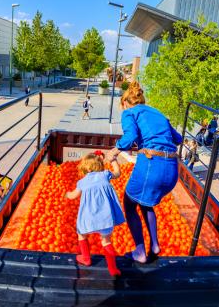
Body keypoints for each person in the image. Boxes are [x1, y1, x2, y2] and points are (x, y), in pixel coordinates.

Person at [106, 81, 182, 263]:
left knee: (129, 202)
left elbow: (130, 137)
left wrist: (114, 152)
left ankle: (140, 251)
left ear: (125, 103)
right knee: (145, 202)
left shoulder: (129, 112)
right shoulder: (159, 113)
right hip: (171, 170)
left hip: (151, 165)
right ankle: (154, 244)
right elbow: (177, 138)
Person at [64, 153, 125, 276]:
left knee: (81, 235)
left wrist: (67, 194)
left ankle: (86, 258)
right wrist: (113, 161)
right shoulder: (105, 174)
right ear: (100, 166)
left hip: (88, 218)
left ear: (87, 168)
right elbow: (118, 173)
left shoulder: (82, 182)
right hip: (106, 218)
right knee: (106, 242)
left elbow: (73, 196)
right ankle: (113, 269)